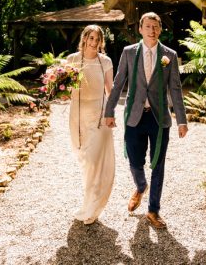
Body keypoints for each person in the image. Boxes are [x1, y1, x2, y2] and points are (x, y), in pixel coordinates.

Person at [104, 12, 188, 229]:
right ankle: (141, 186)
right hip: (134, 115)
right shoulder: (129, 52)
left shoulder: (170, 55)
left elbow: (176, 89)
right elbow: (118, 82)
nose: (152, 30)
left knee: (158, 164)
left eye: (156, 26)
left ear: (160, 30)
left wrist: (181, 120)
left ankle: (153, 210)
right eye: (148, 26)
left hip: (159, 118)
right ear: (140, 29)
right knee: (134, 160)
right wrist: (109, 111)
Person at [66, 25, 115, 225]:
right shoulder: (72, 60)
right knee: (85, 161)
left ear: (101, 42)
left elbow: (110, 91)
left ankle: (92, 207)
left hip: (100, 117)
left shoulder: (106, 62)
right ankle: (89, 202)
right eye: (91, 38)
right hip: (78, 115)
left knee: (95, 162)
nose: (94, 43)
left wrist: (111, 114)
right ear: (84, 39)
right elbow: (65, 87)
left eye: (98, 39)